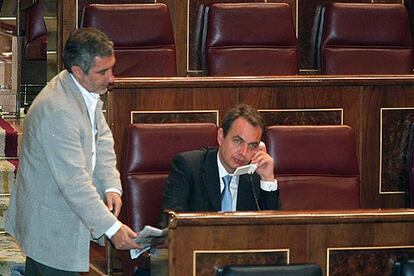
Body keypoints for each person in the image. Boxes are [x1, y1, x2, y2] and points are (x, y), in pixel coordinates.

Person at [5, 27, 140, 275]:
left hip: (65, 219)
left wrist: (111, 185)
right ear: (78, 71)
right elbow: (73, 182)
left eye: (112, 68)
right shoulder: (57, 111)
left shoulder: (83, 89)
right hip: (49, 229)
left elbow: (102, 139)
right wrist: (112, 229)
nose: (112, 78)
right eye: (103, 71)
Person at [159, 104, 280, 228]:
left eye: (252, 146)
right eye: (237, 141)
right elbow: (170, 224)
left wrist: (267, 180)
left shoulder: (255, 175)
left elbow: (274, 232)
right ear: (221, 136)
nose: (244, 153)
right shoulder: (188, 167)